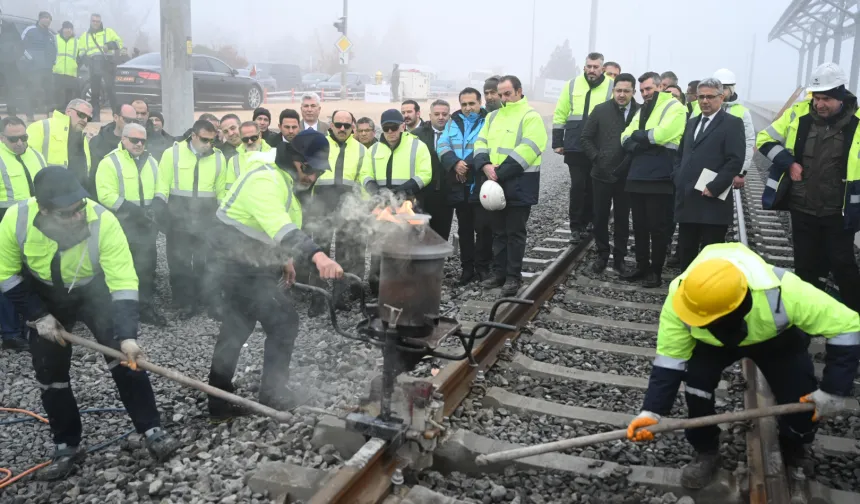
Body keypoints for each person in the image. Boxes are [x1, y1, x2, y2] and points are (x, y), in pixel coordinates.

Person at [627, 243, 860, 488]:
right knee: (697, 386)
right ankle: (705, 450)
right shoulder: (683, 299)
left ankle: (794, 444)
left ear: (740, 306)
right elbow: (670, 360)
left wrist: (833, 390)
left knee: (800, 393)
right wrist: (651, 411)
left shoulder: (782, 289)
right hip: (713, 345)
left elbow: (847, 326)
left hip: (775, 340)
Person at [0, 166, 181, 479]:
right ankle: (66, 445)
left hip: (92, 290)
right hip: (44, 295)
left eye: (80, 208)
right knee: (50, 374)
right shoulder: (15, 220)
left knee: (125, 360)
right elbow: (5, 273)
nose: (78, 216)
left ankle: (152, 430)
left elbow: (123, 281)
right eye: (67, 213)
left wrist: (126, 336)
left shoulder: (103, 221)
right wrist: (37, 315)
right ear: (44, 210)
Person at [207, 130, 344, 415]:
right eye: (310, 170)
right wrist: (318, 256)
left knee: (237, 324)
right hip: (238, 263)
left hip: (252, 257)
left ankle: (218, 396)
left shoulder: (281, 173)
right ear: (296, 160)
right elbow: (280, 226)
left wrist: (283, 259)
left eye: (319, 172)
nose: (313, 177)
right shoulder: (265, 180)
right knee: (283, 322)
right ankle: (272, 394)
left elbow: (271, 227)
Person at [757, 62, 860, 314]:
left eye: (826, 98)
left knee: (843, 266)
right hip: (803, 207)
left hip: (839, 211)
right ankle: (805, 322)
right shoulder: (798, 114)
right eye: (816, 98)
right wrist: (788, 162)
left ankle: (852, 324)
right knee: (805, 268)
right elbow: (764, 139)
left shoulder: (856, 122)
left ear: (840, 95)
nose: (819, 104)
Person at [475, 75, 547, 296]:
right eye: (501, 94)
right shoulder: (493, 117)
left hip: (519, 184)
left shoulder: (531, 116)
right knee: (498, 232)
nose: (504, 97)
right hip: (495, 183)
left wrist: (498, 172)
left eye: (508, 93)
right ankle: (499, 274)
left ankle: (513, 277)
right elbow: (480, 142)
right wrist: (485, 165)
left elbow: (531, 147)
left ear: (519, 91)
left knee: (514, 233)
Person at [154, 119, 227, 317]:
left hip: (206, 216)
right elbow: (162, 182)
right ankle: (184, 302)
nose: (207, 144)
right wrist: (160, 206)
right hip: (178, 215)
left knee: (206, 260)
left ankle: (206, 299)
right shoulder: (173, 153)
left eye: (211, 140)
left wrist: (222, 217)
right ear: (193, 135)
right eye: (204, 139)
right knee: (179, 260)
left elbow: (220, 191)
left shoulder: (219, 158)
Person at [95, 123, 166, 326]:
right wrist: (133, 211)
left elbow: (161, 185)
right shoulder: (110, 162)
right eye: (134, 140)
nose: (139, 144)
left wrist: (158, 204)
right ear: (124, 139)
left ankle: (144, 307)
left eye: (142, 141)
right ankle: (119, 310)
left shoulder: (152, 161)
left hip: (147, 224)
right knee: (120, 267)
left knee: (147, 267)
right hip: (122, 224)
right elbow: (105, 194)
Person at [620, 71, 685, 288]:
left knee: (658, 227)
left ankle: (655, 271)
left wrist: (639, 137)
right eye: (642, 90)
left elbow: (661, 135)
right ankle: (641, 266)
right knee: (639, 225)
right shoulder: (643, 109)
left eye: (649, 89)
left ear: (659, 87)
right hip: (637, 174)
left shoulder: (675, 107)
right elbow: (625, 136)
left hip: (661, 175)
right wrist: (640, 139)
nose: (645, 93)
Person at [674, 78, 745, 269]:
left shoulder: (732, 124)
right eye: (701, 97)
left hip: (712, 199)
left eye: (710, 97)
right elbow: (682, 153)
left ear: (721, 98)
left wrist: (715, 187)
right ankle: (685, 287)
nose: (705, 101)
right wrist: (678, 176)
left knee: (710, 254)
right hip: (688, 198)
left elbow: (735, 160)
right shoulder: (692, 123)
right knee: (686, 251)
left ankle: (707, 292)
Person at [360, 109, 433, 293]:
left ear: (402, 126)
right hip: (382, 206)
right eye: (386, 128)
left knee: (407, 247)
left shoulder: (417, 146)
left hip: (407, 206)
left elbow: (425, 173)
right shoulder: (374, 149)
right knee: (379, 245)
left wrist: (403, 191)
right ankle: (376, 287)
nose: (391, 132)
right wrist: (375, 191)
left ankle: (406, 287)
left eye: (394, 127)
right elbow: (365, 173)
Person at [305, 110, 367, 315]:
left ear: (353, 128)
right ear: (330, 125)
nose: (342, 129)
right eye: (338, 124)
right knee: (318, 252)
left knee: (345, 254)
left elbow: (363, 180)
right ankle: (318, 299)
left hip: (347, 206)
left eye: (346, 126)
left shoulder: (360, 150)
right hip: (322, 205)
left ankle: (340, 298)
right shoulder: (318, 144)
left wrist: (359, 207)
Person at [580, 73, 639, 274]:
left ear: (634, 92)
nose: (622, 95)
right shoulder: (600, 110)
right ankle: (602, 255)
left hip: (627, 176)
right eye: (618, 90)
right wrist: (597, 158)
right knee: (600, 217)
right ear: (613, 90)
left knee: (623, 219)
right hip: (601, 174)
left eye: (626, 91)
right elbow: (585, 138)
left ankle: (619, 259)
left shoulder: (641, 112)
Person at [552, 52, 615, 243]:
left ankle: (591, 222)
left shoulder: (612, 86)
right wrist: (557, 141)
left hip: (599, 146)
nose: (592, 70)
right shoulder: (572, 84)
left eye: (596, 67)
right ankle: (576, 227)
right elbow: (561, 111)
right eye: (589, 66)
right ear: (584, 67)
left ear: (602, 68)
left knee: (594, 186)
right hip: (575, 144)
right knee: (578, 187)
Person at [0, 117, 46, 351]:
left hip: (33, 223)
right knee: (7, 276)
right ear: (2, 137)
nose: (20, 143)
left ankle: (32, 324)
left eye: (24, 137)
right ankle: (10, 333)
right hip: (4, 222)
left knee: (31, 274)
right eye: (13, 139)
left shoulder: (36, 155)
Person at [437, 87, 490, 284]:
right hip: (459, 185)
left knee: (483, 228)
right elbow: (442, 145)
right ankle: (467, 269)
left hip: (479, 183)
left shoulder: (488, 121)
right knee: (465, 230)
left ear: (480, 103)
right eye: (464, 104)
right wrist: (454, 163)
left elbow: (486, 145)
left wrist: (465, 165)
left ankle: (483, 267)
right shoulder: (453, 122)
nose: (468, 108)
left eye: (471, 104)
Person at [26, 99, 93, 189]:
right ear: (69, 112)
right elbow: (27, 161)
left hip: (74, 193)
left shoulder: (81, 136)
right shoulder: (40, 127)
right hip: (47, 192)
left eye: (88, 118)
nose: (85, 120)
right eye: (82, 115)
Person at [415, 99, 453, 239]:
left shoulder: (455, 134)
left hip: (446, 194)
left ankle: (439, 261)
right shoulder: (417, 135)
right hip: (423, 193)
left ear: (449, 116)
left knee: (441, 236)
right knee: (420, 234)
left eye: (444, 114)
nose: (441, 117)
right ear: (430, 116)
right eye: (437, 114)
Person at [711, 68, 755, 190]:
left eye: (724, 88)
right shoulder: (700, 109)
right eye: (718, 88)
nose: (721, 92)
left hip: (728, 168)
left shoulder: (742, 112)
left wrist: (741, 172)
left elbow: (748, 142)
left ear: (731, 89)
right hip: (704, 165)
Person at [78, 13, 122, 119]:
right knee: (95, 91)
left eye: (97, 21)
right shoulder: (85, 36)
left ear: (100, 21)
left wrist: (109, 45)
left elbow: (119, 42)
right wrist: (86, 60)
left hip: (107, 63)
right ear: (90, 21)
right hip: (93, 64)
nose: (96, 23)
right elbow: (80, 51)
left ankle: (116, 114)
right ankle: (96, 115)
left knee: (111, 89)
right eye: (94, 21)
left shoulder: (108, 32)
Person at [20, 11, 57, 121]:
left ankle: (48, 115)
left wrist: (52, 61)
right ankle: (30, 115)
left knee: (49, 92)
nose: (47, 20)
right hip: (33, 69)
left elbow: (54, 50)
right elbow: (21, 46)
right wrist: (31, 58)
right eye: (45, 18)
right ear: (40, 19)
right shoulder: (30, 30)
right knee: (33, 91)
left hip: (47, 68)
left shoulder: (50, 34)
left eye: (49, 19)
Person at [89, 104, 137, 182]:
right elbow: (93, 173)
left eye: (135, 121)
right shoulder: (98, 142)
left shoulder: (139, 143)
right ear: (115, 117)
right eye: (127, 120)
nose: (131, 124)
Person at [226, 121, 272, 189]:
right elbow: (229, 189)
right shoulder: (233, 161)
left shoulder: (273, 155)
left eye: (254, 138)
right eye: (245, 139)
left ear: (260, 135)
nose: (250, 142)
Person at [0, 9, 25, 118]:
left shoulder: (10, 26)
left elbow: (20, 44)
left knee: (10, 91)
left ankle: (12, 116)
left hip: (8, 66)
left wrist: (14, 57)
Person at [53, 22, 78, 113]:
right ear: (62, 29)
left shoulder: (76, 41)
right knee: (58, 95)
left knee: (69, 96)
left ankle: (67, 114)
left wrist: (77, 65)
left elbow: (80, 55)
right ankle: (58, 113)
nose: (69, 30)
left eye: (71, 29)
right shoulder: (55, 38)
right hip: (57, 71)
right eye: (67, 28)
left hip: (71, 72)